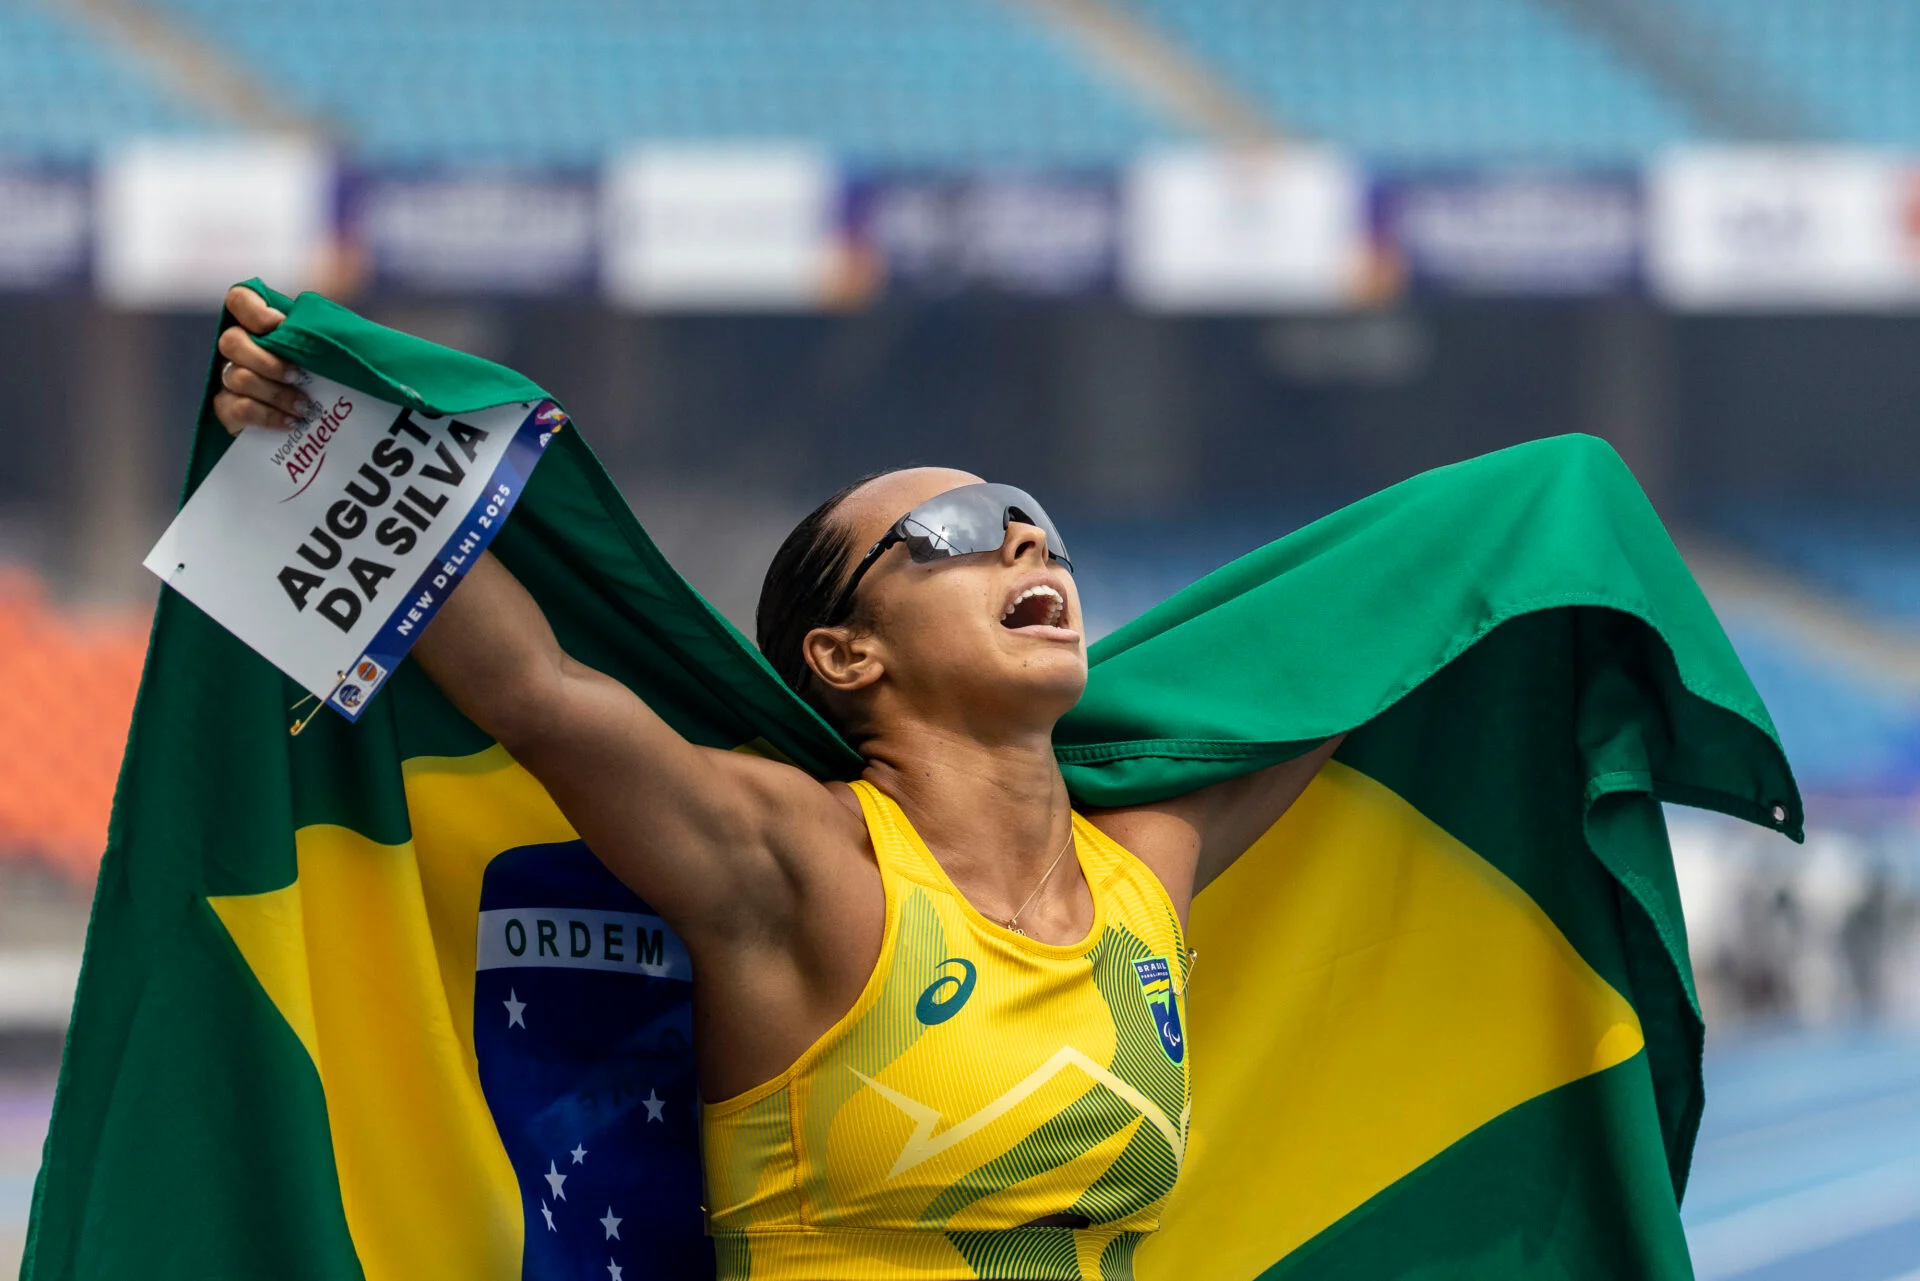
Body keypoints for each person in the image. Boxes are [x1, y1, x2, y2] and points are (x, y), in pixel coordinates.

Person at [211, 285, 1342, 1281]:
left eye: (1037, 528)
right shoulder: (803, 865)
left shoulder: (1146, 875)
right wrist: (314, 446)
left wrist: (1524, 523)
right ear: (848, 655)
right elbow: (535, 691)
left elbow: (1364, 657)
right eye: (952, 530)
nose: (1023, 546)